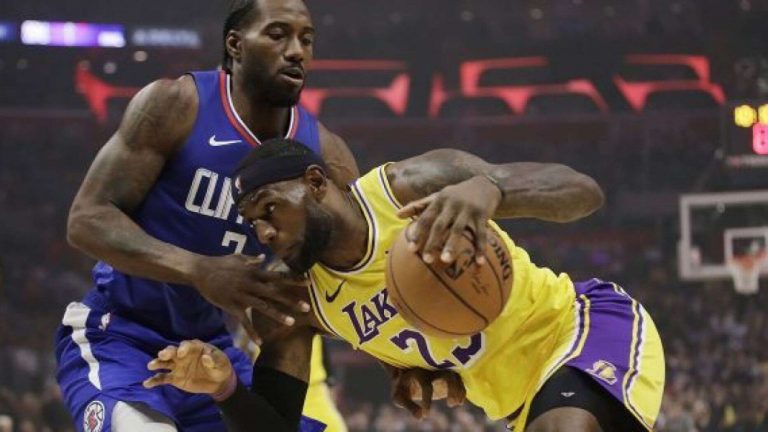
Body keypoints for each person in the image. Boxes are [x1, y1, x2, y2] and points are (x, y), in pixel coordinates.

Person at [146, 139, 666, 432]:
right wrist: (225, 389)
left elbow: (585, 193)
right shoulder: (292, 299)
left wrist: (493, 188)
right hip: (516, 406)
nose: (263, 231)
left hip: (582, 328)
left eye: (269, 209)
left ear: (315, 182)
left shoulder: (411, 187)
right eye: (251, 222)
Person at [55, 0, 364, 430]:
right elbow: (86, 219)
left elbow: (362, 272)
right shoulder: (176, 104)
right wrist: (198, 269)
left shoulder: (326, 158)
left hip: (211, 354)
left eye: (306, 39)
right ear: (235, 45)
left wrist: (407, 361)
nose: (296, 50)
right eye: (278, 34)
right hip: (118, 336)